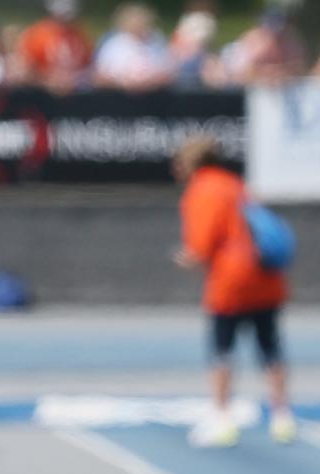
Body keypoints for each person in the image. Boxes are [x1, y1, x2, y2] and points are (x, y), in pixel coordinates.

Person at [172, 135, 294, 447]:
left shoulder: (201, 191)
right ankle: (282, 417)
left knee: (222, 350)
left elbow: (200, 246)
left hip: (231, 281)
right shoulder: (236, 184)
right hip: (267, 276)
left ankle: (222, 418)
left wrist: (186, 257)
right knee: (270, 347)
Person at [13, 0, 94, 93]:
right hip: (44, 92)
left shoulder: (80, 36)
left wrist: (73, 79)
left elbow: (88, 66)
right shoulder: (37, 35)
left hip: (74, 92)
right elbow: (25, 67)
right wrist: (47, 77)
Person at [95, 3, 175, 91]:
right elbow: (99, 77)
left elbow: (170, 73)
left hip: (155, 97)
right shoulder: (113, 45)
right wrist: (123, 81)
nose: (139, 25)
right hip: (118, 97)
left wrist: (150, 81)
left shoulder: (158, 43)